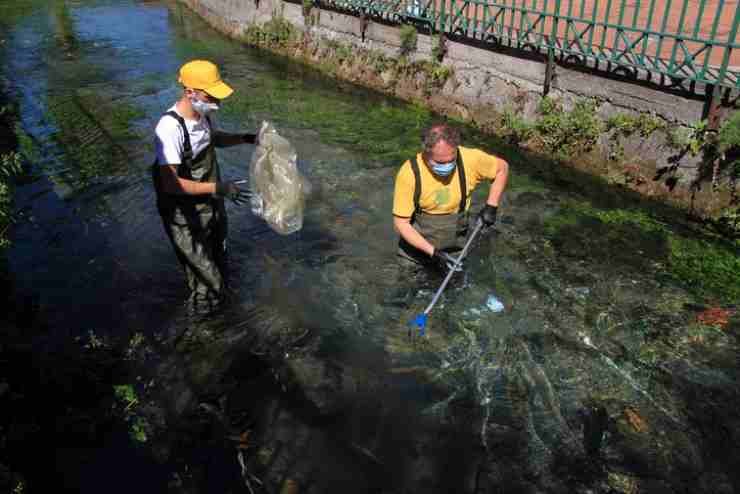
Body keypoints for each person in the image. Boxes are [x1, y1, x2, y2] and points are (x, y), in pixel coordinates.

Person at [152, 59, 255, 311]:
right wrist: (219, 188)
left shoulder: (203, 116)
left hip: (211, 207)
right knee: (206, 282)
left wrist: (246, 138)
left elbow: (213, 139)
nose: (217, 103)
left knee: (220, 261)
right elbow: (171, 184)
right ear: (190, 92)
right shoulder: (169, 129)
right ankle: (201, 333)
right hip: (184, 217)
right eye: (211, 96)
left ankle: (220, 310)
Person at [392, 122, 509, 272]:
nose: (447, 166)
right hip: (416, 254)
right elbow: (401, 224)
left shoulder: (470, 159)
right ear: (425, 153)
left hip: (454, 251)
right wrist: (433, 252)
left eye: (451, 161)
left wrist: (491, 206)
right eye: (440, 162)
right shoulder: (409, 173)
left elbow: (502, 169)